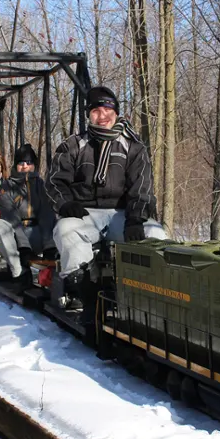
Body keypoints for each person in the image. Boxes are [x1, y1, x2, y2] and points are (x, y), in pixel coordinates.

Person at [47, 85, 166, 312]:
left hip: (121, 214)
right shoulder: (73, 145)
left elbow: (142, 187)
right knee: (65, 231)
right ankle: (85, 294)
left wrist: (135, 218)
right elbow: (55, 182)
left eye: (108, 110)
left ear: (117, 112)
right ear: (88, 114)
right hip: (83, 213)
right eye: (96, 111)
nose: (102, 116)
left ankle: (146, 295)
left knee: (155, 234)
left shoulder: (133, 147)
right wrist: (66, 204)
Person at [0, 144, 56, 288]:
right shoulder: (6, 187)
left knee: (62, 222)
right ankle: (19, 273)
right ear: (16, 165)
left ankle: (65, 278)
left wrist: (49, 245)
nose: (25, 166)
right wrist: (23, 246)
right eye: (21, 163)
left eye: (29, 163)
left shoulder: (41, 185)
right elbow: (11, 218)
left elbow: (46, 214)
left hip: (37, 233)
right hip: (15, 237)